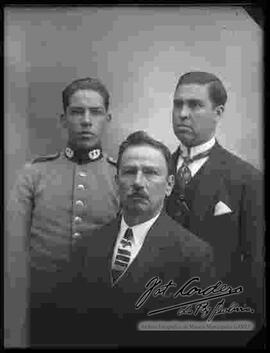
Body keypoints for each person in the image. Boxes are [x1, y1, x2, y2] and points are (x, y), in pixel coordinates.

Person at [5, 77, 120, 346]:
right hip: (44, 305)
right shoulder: (34, 175)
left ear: (107, 119)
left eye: (96, 112)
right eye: (77, 112)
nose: (86, 120)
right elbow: (13, 249)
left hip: (104, 307)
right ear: (63, 119)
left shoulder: (120, 177)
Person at [78, 131, 216, 347]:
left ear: (169, 185)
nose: (138, 182)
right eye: (130, 172)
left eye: (151, 173)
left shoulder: (195, 255)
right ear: (116, 182)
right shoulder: (89, 245)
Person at [166, 71, 264, 346]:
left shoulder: (247, 180)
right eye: (177, 104)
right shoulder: (153, 172)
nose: (183, 113)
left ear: (218, 112)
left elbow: (256, 269)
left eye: (195, 105)